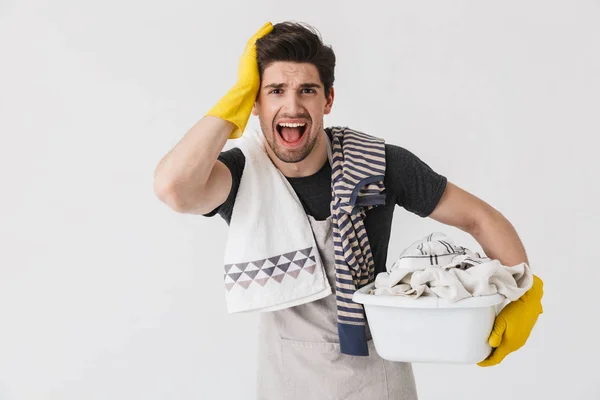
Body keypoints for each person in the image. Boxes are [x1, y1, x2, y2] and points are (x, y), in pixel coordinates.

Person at [154, 21, 544, 400]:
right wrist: (235, 97)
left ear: (328, 99)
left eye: (307, 90)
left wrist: (525, 295)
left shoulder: (378, 164)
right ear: (254, 103)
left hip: (377, 382)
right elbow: (173, 188)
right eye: (275, 90)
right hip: (286, 382)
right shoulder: (243, 175)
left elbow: (480, 218)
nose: (292, 105)